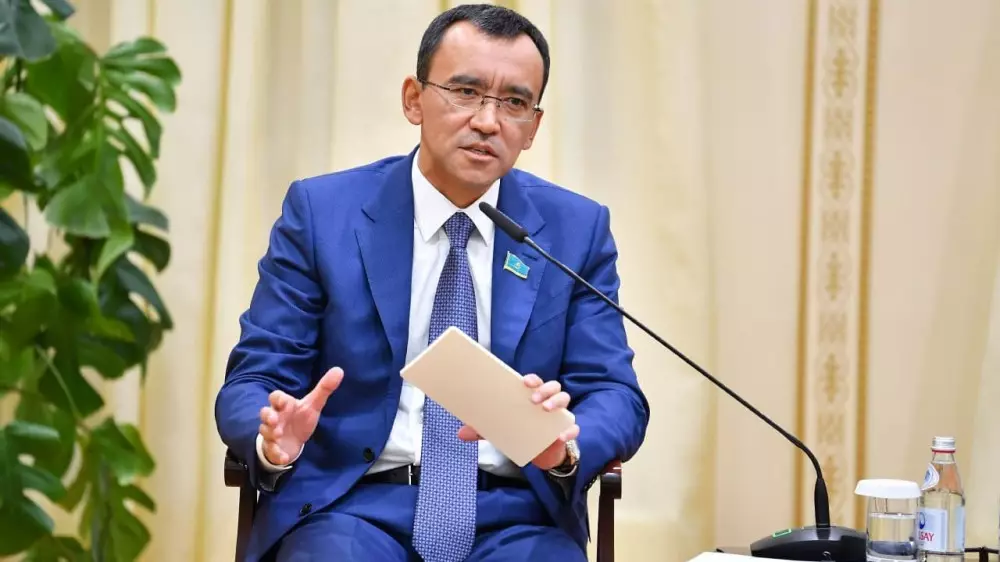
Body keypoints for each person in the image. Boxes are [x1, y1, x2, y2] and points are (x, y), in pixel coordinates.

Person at [215, 4, 650, 561]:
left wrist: (563, 446)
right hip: (350, 508)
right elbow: (255, 376)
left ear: (533, 127)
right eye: (465, 92)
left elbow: (615, 394)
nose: (488, 121)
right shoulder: (324, 214)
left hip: (518, 517)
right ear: (413, 99)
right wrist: (272, 438)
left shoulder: (573, 231)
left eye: (514, 102)